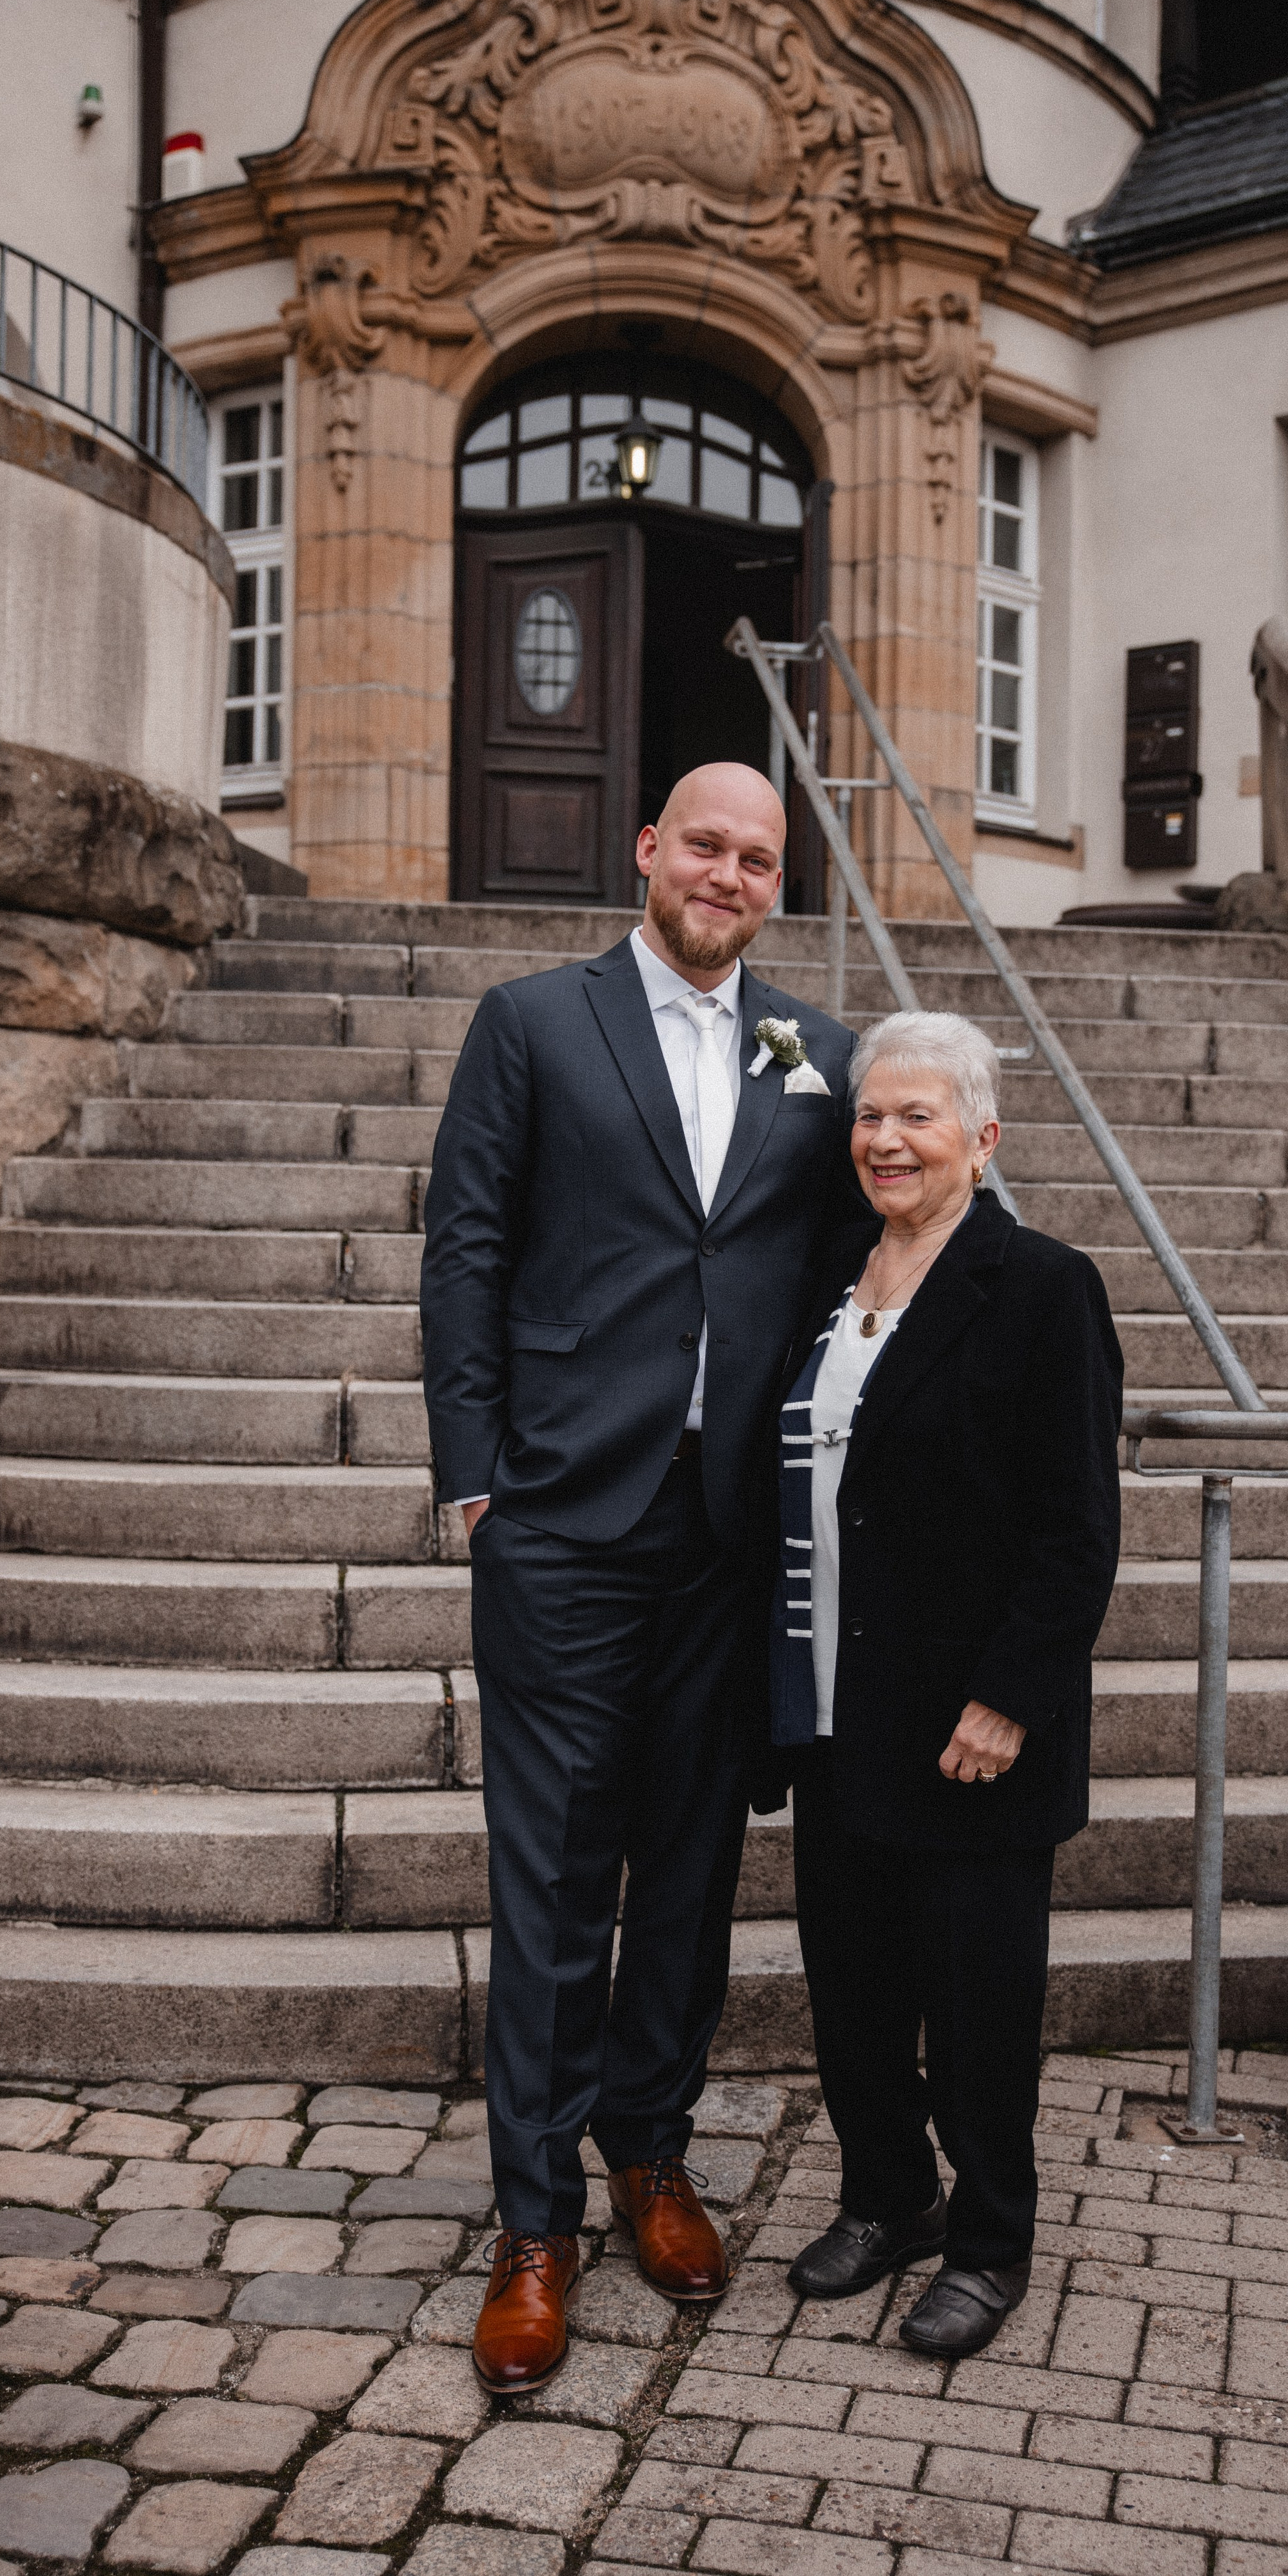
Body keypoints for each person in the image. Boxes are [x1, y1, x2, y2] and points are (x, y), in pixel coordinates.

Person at [422, 763, 862, 2395]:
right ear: (647, 852)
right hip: (558, 1519)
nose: (729, 874)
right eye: (706, 846)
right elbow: (465, 1243)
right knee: (549, 1882)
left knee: (685, 1867)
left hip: (727, 1532)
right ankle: (532, 2228)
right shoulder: (532, 1022)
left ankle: (648, 2155)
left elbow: (837, 1262)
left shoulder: (812, 1051)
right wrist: (475, 1479)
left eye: (758, 858)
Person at [773, 1009, 1123, 2358]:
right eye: (869, 1116)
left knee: (977, 2011)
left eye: (918, 1116)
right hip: (829, 1706)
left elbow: (1072, 1528)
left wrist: (1010, 1697)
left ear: (981, 1137)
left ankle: (987, 2240)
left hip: (969, 1725)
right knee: (851, 1986)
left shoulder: (1041, 1288)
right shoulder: (824, 1273)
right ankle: (885, 2199)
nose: (885, 1139)